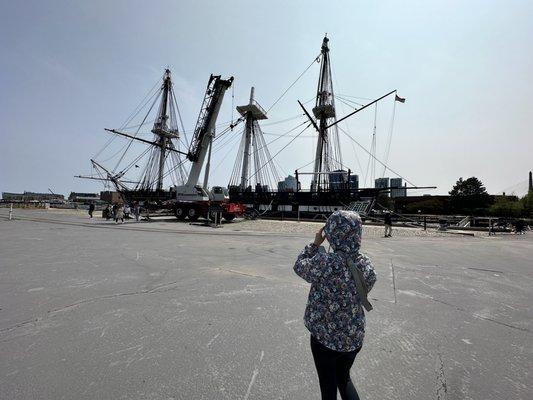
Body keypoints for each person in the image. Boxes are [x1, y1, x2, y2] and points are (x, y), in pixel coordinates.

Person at [294, 210, 377, 400]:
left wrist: (315, 244)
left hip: (325, 338)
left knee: (328, 387)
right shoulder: (365, 264)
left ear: (332, 233)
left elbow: (299, 266)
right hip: (353, 336)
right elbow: (368, 284)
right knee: (344, 378)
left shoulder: (324, 261)